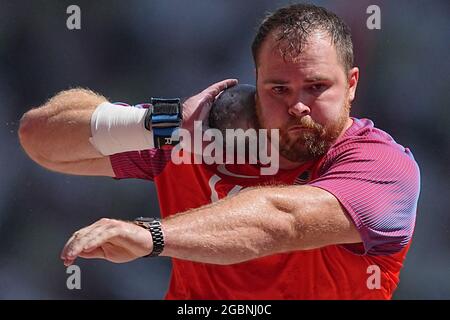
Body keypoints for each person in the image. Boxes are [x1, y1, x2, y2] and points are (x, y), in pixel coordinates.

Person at [18, 3, 420, 299]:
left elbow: (284, 220)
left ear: (351, 84)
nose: (298, 106)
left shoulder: (383, 167)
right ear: (256, 83)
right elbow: (40, 140)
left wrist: (152, 235)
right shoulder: (202, 133)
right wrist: (162, 125)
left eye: (317, 87)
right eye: (279, 89)